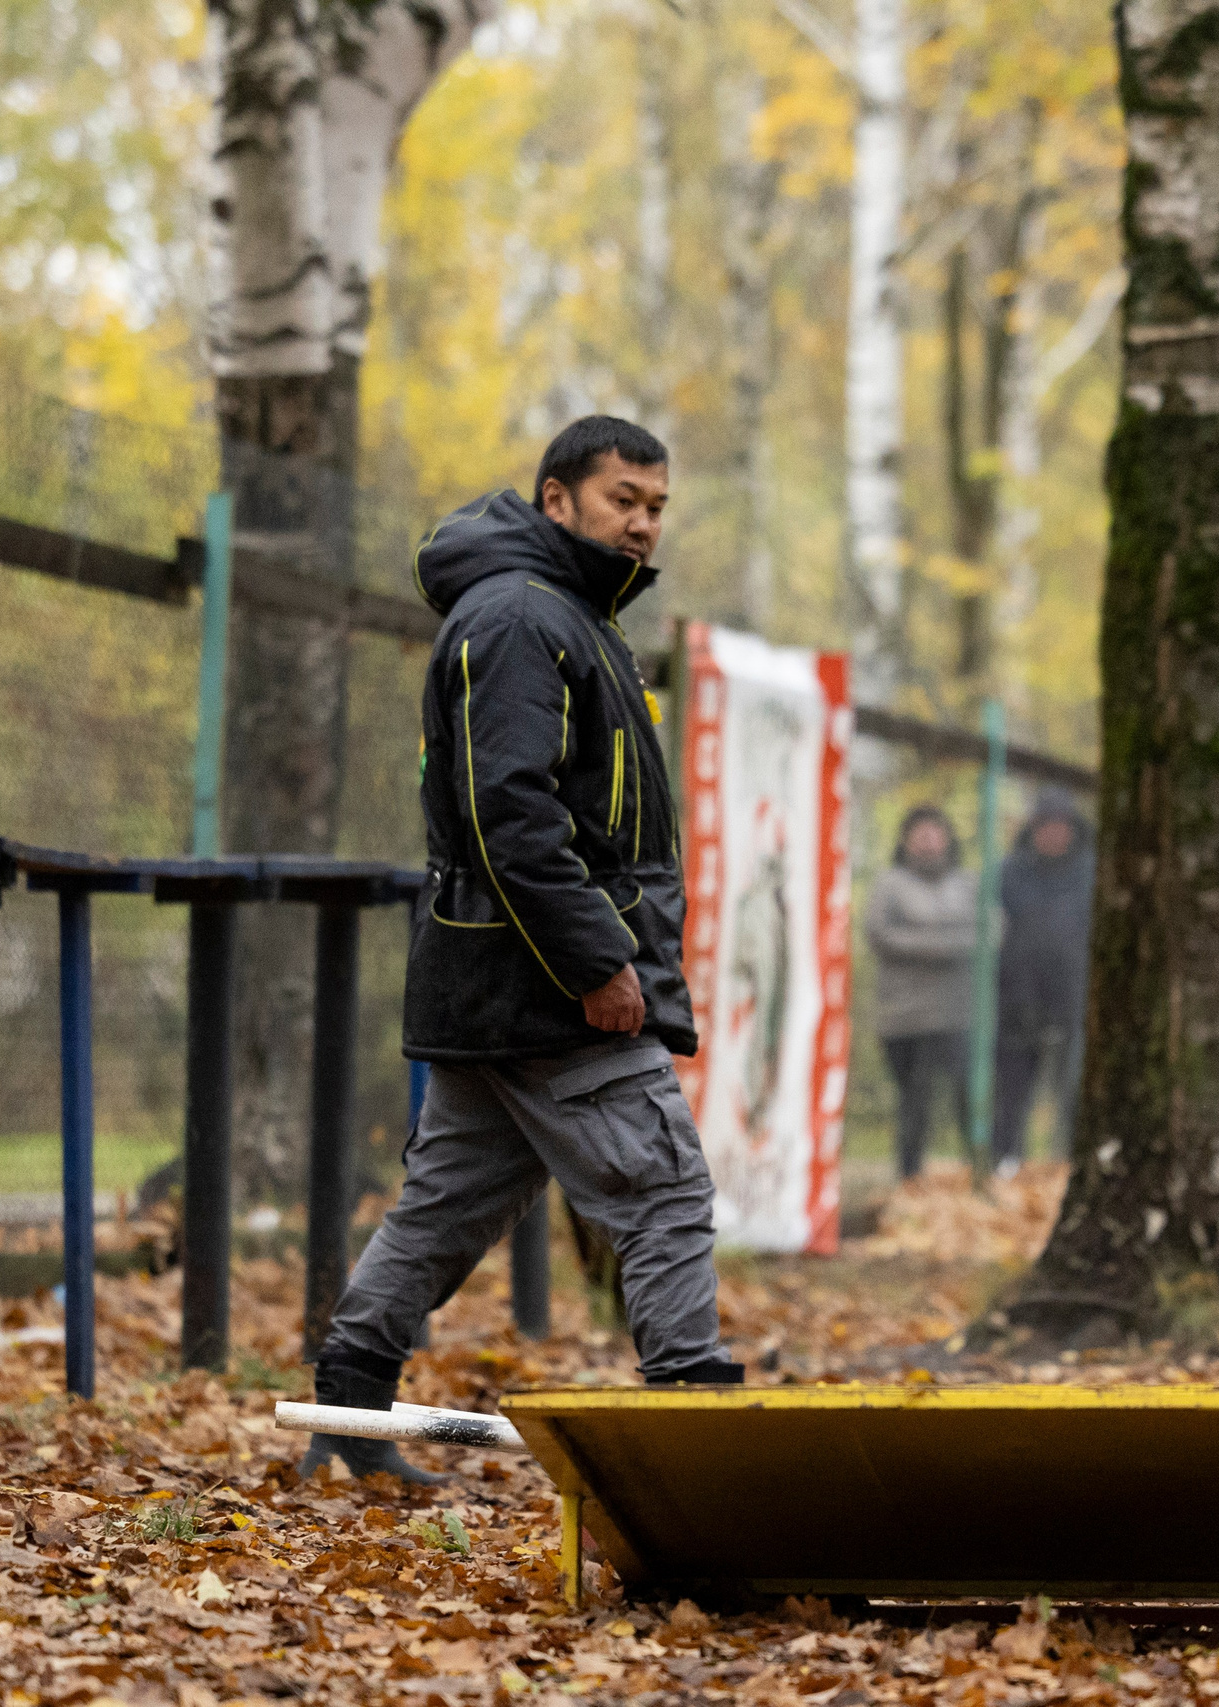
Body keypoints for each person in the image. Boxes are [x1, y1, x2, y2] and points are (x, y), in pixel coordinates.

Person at [299, 415, 741, 1487]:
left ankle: (346, 1418)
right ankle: (702, 1448)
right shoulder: (519, 616)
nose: (641, 524)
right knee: (663, 1192)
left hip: (495, 979)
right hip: (548, 983)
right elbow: (512, 811)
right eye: (621, 500)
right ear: (557, 499)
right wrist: (597, 962)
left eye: (655, 507)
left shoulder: (566, 614)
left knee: (445, 1208)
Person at [866, 805, 978, 1180]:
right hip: (905, 1017)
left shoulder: (968, 884)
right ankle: (910, 1178)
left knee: (969, 1097)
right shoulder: (890, 884)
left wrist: (930, 942)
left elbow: (993, 930)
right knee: (914, 1101)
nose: (928, 840)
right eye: (920, 833)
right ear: (906, 840)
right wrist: (943, 945)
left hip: (959, 1014)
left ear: (947, 838)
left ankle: (978, 1173)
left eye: (935, 832)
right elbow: (880, 934)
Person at [991, 789, 1094, 1172]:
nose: (1053, 834)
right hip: (1017, 1000)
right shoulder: (1010, 872)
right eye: (1045, 826)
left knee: (1074, 1088)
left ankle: (1070, 1162)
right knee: (1013, 1088)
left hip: (1074, 998)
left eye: (1060, 826)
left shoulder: (1090, 872)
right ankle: (1007, 1162)